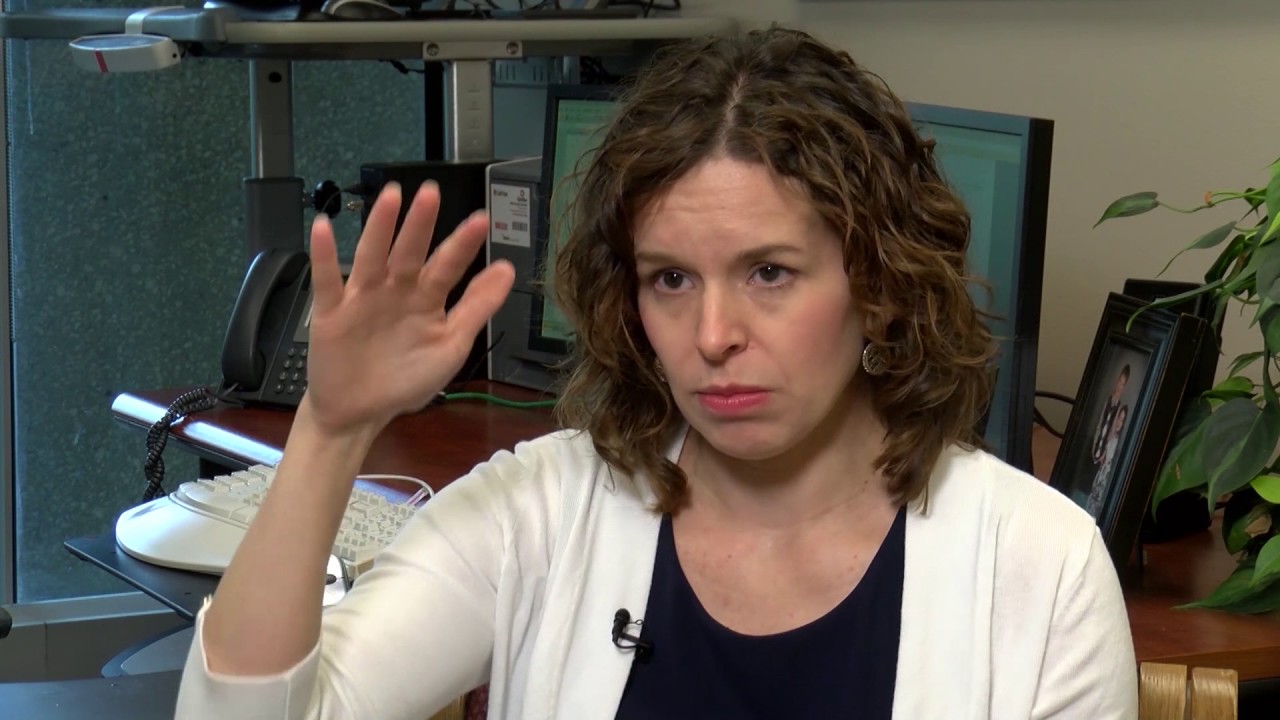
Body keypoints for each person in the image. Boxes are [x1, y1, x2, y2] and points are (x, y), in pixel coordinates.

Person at [175, 27, 1137, 719]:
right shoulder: (538, 512)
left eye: (769, 273)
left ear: (879, 286)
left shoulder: (1039, 564)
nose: (713, 335)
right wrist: (331, 429)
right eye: (670, 279)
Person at [1085, 404, 1129, 517]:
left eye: (1122, 420)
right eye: (1118, 418)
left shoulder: (1118, 442)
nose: (1119, 422)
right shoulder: (1108, 436)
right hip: (1099, 477)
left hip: (1106, 481)